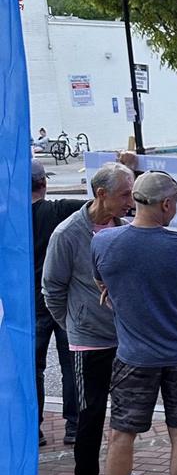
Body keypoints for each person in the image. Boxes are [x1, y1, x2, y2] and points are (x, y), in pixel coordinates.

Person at [89, 170, 177, 475]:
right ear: (167, 204)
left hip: (133, 355)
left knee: (121, 434)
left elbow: (102, 283)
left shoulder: (104, 242)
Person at [42, 162, 160, 475]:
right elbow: (52, 288)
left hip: (124, 338)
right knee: (90, 415)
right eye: (126, 194)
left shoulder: (125, 229)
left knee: (125, 414)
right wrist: (74, 326)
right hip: (88, 342)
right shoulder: (67, 234)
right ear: (101, 194)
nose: (132, 200)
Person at [31, 159, 79, 446]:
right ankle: (73, 426)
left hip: (29, 304)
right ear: (44, 184)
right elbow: (99, 206)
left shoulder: (9, 216)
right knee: (71, 365)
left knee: (32, 367)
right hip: (62, 302)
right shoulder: (60, 210)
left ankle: (33, 427)